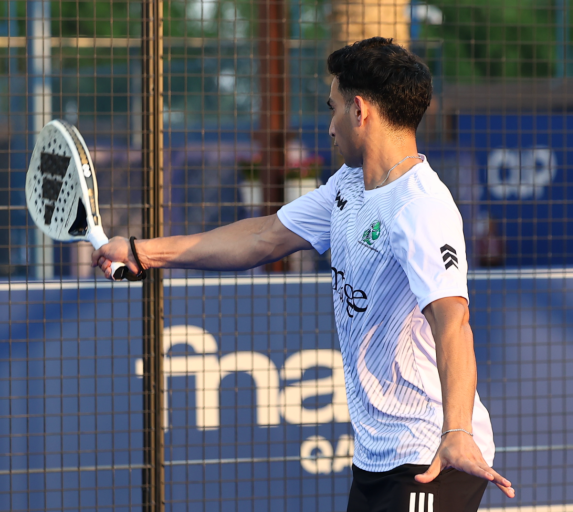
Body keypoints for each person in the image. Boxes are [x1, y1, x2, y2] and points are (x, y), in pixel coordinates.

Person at [92, 37, 514, 511]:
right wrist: (141, 251)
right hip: (377, 456)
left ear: (359, 111)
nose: (329, 126)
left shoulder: (421, 207)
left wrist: (457, 431)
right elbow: (264, 237)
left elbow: (453, 321)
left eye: (333, 108)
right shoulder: (349, 185)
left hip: (433, 452)